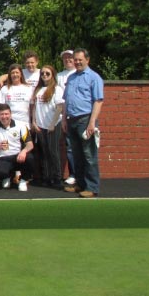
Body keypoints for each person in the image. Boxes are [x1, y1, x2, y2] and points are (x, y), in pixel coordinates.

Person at [62, 48, 104, 198]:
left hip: (85, 119)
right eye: (76, 59)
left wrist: (92, 122)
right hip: (71, 120)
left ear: (87, 60)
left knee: (89, 155)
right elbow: (66, 100)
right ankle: (80, 184)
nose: (77, 62)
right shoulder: (72, 78)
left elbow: (98, 101)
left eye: (80, 59)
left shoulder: (94, 77)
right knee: (77, 155)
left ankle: (92, 187)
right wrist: (64, 119)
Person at [31, 65, 64, 188]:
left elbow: (60, 107)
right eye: (43, 73)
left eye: (47, 73)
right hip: (40, 126)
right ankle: (46, 177)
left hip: (53, 125)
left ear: (53, 75)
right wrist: (34, 122)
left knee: (53, 152)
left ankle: (57, 178)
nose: (44, 75)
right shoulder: (38, 89)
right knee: (44, 152)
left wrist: (52, 124)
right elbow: (34, 107)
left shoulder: (57, 89)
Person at [0, 104, 35, 192]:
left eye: (6, 114)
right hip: (3, 158)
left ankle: (23, 180)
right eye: (1, 114)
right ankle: (7, 177)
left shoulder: (21, 125)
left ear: (11, 114)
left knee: (30, 158)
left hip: (17, 157)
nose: (4, 117)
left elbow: (30, 144)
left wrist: (24, 151)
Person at [57, 49, 76, 185]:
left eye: (70, 57)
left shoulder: (79, 74)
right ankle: (72, 174)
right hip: (62, 116)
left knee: (79, 147)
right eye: (65, 58)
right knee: (68, 146)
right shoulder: (58, 76)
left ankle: (79, 174)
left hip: (76, 114)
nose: (68, 60)